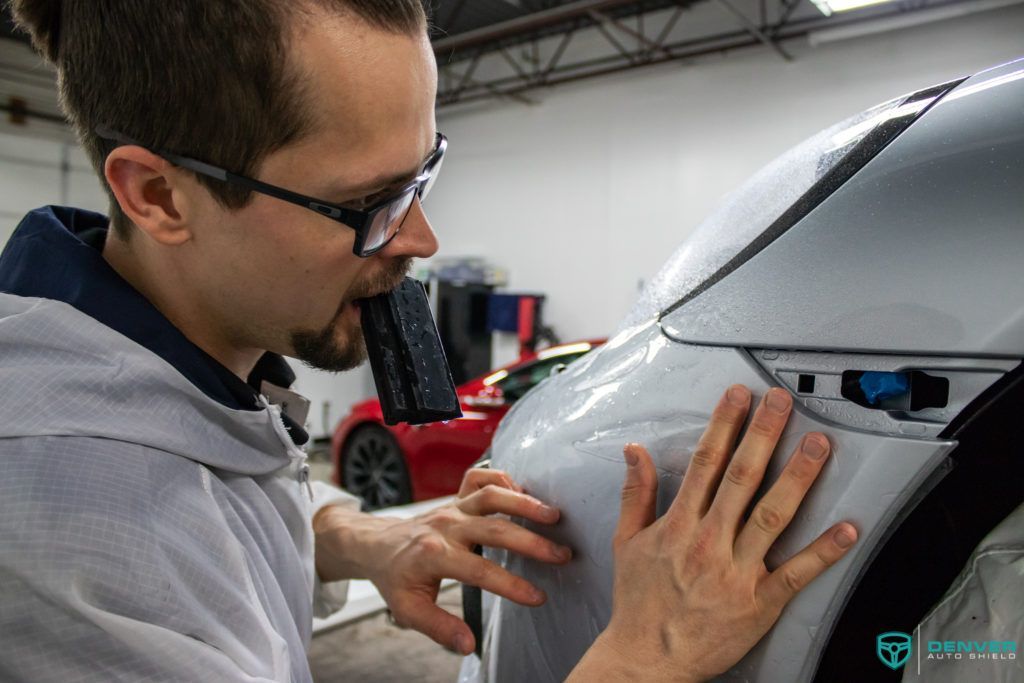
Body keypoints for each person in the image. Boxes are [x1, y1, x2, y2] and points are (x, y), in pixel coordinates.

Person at [0, 1, 858, 681]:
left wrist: (364, 535)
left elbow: (215, 479)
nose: (420, 240)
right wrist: (645, 657)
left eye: (422, 174)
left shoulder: (161, 369)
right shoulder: (71, 531)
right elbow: (159, 524)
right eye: (369, 201)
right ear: (158, 195)